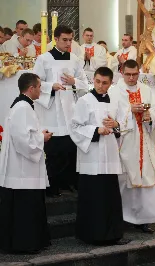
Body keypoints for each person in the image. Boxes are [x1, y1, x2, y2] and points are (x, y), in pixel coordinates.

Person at [109, 60, 155, 233]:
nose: (131, 78)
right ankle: (122, 217)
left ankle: (144, 219)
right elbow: (110, 115)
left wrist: (148, 116)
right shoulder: (114, 92)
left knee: (146, 178)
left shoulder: (146, 90)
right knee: (125, 179)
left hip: (144, 140)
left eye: (135, 74)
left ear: (139, 73)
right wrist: (130, 110)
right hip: (125, 141)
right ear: (121, 72)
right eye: (128, 74)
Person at [71, 67, 128, 245]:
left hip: (110, 157)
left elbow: (124, 125)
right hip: (92, 158)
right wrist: (96, 130)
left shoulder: (115, 101)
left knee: (110, 198)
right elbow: (74, 128)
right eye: (97, 82)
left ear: (111, 83)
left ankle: (112, 234)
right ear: (93, 80)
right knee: (93, 197)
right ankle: (90, 235)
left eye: (104, 83)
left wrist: (116, 124)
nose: (100, 86)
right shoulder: (84, 101)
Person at [33, 25, 89, 197]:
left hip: (70, 108)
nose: (68, 43)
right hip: (52, 110)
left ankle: (69, 183)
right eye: (64, 39)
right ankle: (52, 186)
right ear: (55, 39)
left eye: (71, 39)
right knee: (55, 149)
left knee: (71, 148)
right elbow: (34, 83)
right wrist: (51, 86)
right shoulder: (44, 59)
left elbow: (84, 84)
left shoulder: (74, 59)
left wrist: (74, 81)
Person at [0, 73, 53, 254]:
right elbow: (23, 140)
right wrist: (42, 137)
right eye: (39, 87)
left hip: (22, 169)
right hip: (23, 170)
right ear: (31, 89)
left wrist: (39, 134)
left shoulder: (23, 105)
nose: (40, 90)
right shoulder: (23, 107)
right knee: (24, 209)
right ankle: (25, 244)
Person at [137, 0, 155, 72]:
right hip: (146, 38)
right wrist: (139, 2)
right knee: (153, 53)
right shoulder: (148, 16)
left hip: (149, 38)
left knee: (150, 53)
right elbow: (142, 7)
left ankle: (146, 67)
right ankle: (144, 66)